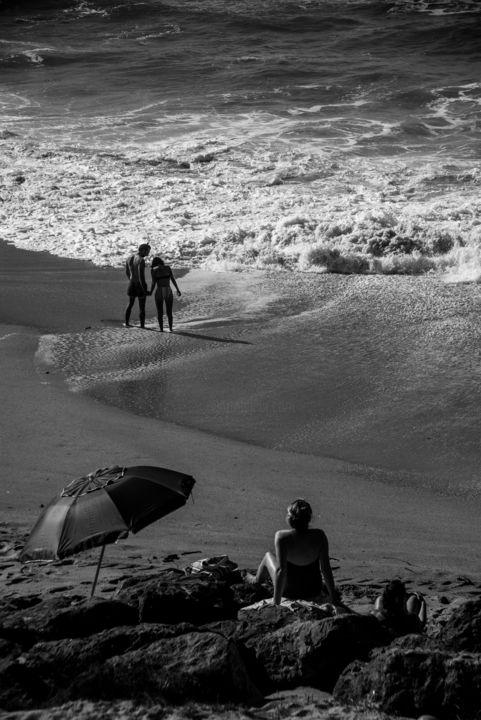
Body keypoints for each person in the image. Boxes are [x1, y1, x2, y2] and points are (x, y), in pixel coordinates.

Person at [251, 499, 339, 606]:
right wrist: (333, 598)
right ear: (309, 518)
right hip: (314, 590)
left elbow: (281, 571)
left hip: (290, 592)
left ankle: (256, 581)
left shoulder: (281, 536)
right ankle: (256, 580)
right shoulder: (319, 535)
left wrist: (276, 603)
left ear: (290, 518)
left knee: (268, 556)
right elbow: (326, 569)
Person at [149, 256, 181, 332]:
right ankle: (170, 328)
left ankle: (161, 329)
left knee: (160, 312)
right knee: (169, 312)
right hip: (168, 290)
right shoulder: (167, 268)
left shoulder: (153, 270)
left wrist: (150, 292)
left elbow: (154, 283)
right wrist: (177, 289)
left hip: (159, 291)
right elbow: (173, 279)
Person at [124, 243, 151, 328]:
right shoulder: (141, 260)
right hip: (140, 286)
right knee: (142, 307)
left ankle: (127, 323)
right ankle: (142, 326)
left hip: (132, 284)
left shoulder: (129, 258)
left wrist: (131, 280)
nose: (148, 253)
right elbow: (141, 276)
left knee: (130, 304)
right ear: (143, 250)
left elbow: (127, 272)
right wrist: (144, 289)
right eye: (147, 251)